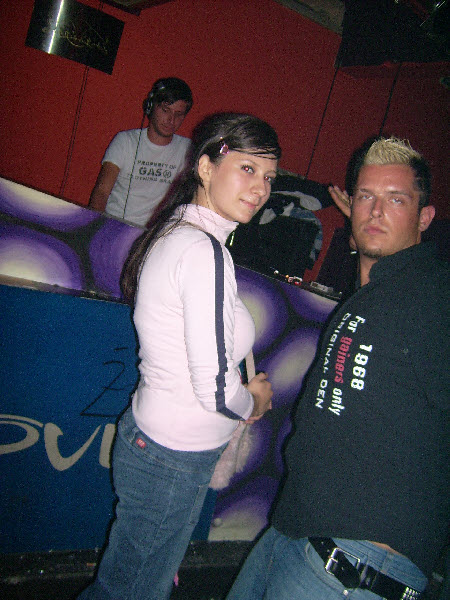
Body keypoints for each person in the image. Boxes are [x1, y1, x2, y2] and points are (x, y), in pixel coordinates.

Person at [226, 136, 449, 600]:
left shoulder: (432, 295)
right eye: (366, 197)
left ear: (425, 217)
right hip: (292, 532)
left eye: (396, 200)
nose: (376, 211)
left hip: (356, 564)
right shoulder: (376, 291)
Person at [77, 112, 281, 600]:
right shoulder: (203, 251)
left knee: (126, 585)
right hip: (172, 459)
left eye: (270, 177)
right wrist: (253, 401)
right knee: (129, 592)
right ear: (206, 167)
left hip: (160, 446)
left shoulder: (181, 230)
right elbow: (216, 391)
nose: (260, 188)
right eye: (248, 168)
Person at [89, 77, 193, 227]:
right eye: (165, 110)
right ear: (151, 106)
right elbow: (102, 192)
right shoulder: (125, 141)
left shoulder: (187, 149)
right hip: (115, 226)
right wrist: (94, 228)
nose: (171, 119)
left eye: (179, 114)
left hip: (155, 234)